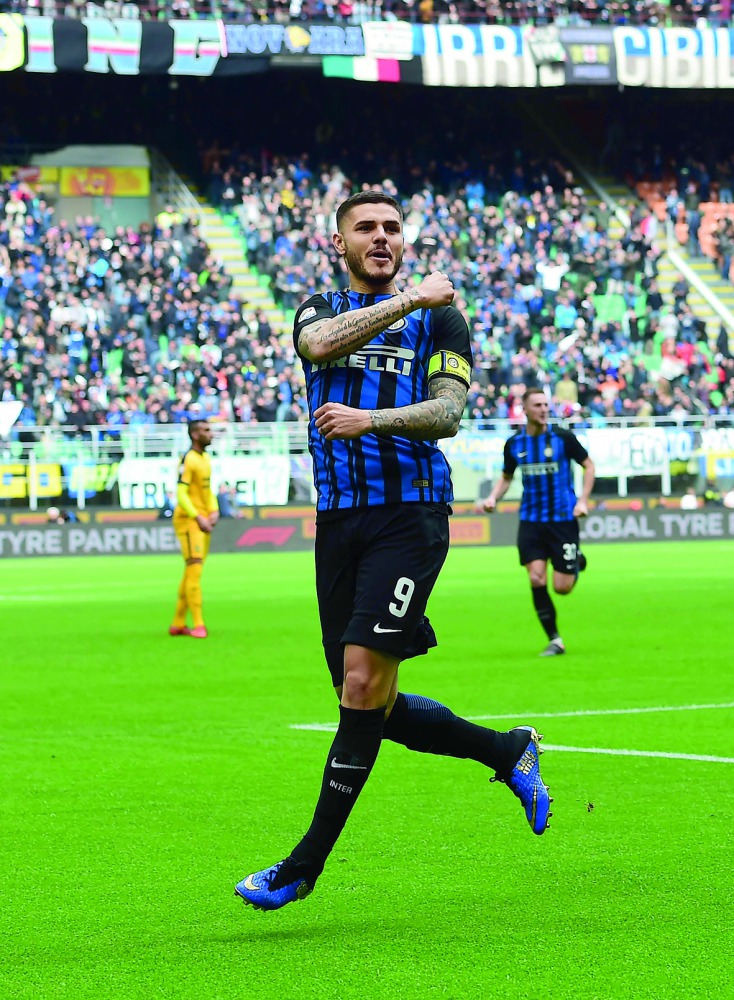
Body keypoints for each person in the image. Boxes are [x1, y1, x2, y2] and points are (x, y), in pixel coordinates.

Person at [234, 191, 552, 914]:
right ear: (339, 242)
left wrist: (369, 418)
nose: (381, 237)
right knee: (367, 701)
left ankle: (302, 867)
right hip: (339, 519)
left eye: (392, 228)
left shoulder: (443, 320)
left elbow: (448, 412)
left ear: (404, 241)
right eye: (366, 228)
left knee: (360, 686)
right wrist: (409, 297)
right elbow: (318, 347)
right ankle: (507, 751)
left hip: (410, 515)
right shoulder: (320, 308)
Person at [477, 387, 595, 657]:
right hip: (531, 521)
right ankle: (555, 640)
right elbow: (506, 477)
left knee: (562, 588)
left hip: (562, 520)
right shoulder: (514, 444)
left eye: (545, 404)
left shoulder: (563, 438)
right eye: (538, 405)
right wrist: (493, 498)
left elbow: (589, 465)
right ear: (525, 410)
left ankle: (576, 559)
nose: (543, 409)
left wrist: (583, 500)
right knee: (536, 577)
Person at [169, 419, 219, 639]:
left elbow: (207, 490)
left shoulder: (205, 458)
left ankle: (178, 622)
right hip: (189, 521)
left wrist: (214, 510)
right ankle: (198, 624)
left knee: (192, 571)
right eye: (206, 430)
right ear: (195, 435)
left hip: (203, 519)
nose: (211, 434)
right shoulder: (188, 459)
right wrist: (197, 516)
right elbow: (181, 493)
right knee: (194, 569)